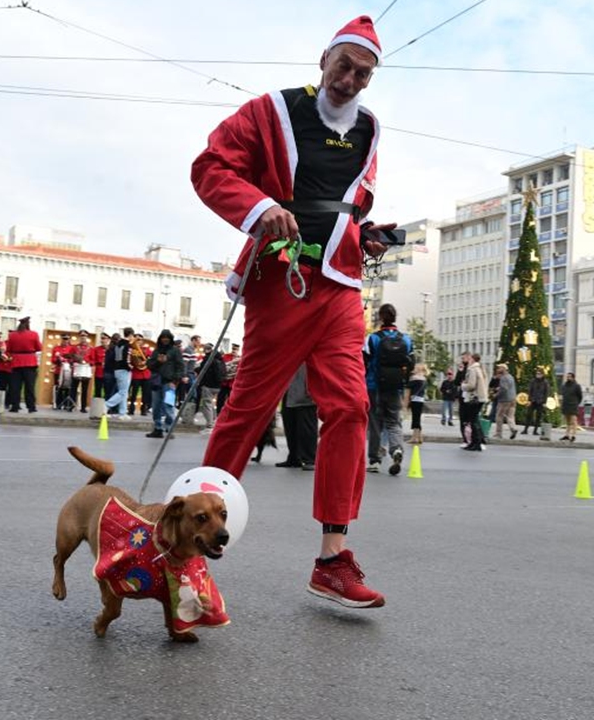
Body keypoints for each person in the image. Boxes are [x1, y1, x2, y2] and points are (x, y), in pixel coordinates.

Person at [191, 16, 392, 608]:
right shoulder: (270, 110)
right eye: (344, 65)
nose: (350, 80)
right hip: (284, 277)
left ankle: (332, 559)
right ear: (324, 61)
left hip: (340, 284)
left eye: (363, 73)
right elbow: (209, 169)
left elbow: (349, 203)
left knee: (352, 408)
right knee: (248, 409)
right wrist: (258, 209)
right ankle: (189, 546)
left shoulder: (371, 130)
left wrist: (367, 232)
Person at [364, 304, 412, 475]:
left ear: (381, 318)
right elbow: (409, 362)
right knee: (394, 421)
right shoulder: (406, 339)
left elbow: (364, 362)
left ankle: (375, 460)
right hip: (395, 387)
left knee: (375, 424)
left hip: (375, 386)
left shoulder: (373, 338)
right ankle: (397, 449)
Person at [277, 363, 319, 470]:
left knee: (307, 427)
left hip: (307, 389)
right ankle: (294, 457)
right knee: (290, 425)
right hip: (289, 388)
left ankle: (309, 459)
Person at [145, 329, 183, 438]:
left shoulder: (175, 351)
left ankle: (169, 428)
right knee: (156, 406)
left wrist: (175, 381)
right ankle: (158, 428)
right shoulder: (156, 351)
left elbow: (180, 366)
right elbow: (149, 365)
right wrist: (158, 361)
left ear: (170, 339)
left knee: (168, 406)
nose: (165, 339)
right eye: (163, 337)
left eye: (167, 337)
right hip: (157, 382)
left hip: (169, 382)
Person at [6, 317, 42, 413]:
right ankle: (31, 407)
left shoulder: (12, 335)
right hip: (30, 361)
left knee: (15, 386)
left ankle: (15, 406)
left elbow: (8, 348)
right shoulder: (34, 334)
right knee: (30, 386)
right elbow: (39, 347)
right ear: (28, 324)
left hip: (16, 361)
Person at [193, 343, 225, 434]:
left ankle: (210, 426)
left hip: (208, 385)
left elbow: (203, 370)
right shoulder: (220, 358)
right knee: (211, 405)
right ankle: (214, 422)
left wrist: (196, 370)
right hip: (218, 386)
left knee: (207, 405)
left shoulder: (208, 359)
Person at [102, 328, 134, 417]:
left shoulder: (118, 344)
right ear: (131, 335)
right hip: (124, 369)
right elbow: (127, 359)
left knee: (123, 391)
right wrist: (131, 366)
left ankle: (122, 412)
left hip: (117, 369)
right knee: (123, 392)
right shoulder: (128, 345)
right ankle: (107, 405)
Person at [460, 354, 489, 450]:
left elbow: (471, 385)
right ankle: (475, 442)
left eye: (470, 359)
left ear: (472, 359)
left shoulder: (472, 369)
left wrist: (463, 386)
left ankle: (475, 443)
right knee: (474, 420)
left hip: (474, 398)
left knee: (473, 421)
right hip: (480, 397)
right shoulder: (480, 368)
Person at [492, 363, 517, 441]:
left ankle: (498, 433)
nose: (498, 369)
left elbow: (504, 389)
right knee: (510, 416)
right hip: (513, 399)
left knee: (499, 416)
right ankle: (513, 428)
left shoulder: (503, 378)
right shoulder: (511, 377)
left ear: (504, 369)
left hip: (504, 400)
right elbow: (509, 387)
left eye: (499, 368)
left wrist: (496, 395)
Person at [522, 368, 550, 436]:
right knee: (529, 415)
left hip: (540, 401)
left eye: (539, 374)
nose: (538, 375)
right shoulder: (533, 381)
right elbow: (530, 391)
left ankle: (535, 430)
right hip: (533, 400)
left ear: (542, 374)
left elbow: (546, 393)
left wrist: (544, 402)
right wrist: (529, 400)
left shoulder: (545, 382)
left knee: (538, 416)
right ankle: (525, 429)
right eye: (537, 374)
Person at [559, 372, 583, 442]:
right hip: (566, 405)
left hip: (573, 405)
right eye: (567, 377)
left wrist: (576, 403)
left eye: (569, 377)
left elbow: (580, 396)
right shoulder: (564, 386)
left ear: (573, 378)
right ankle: (567, 435)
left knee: (574, 421)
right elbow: (563, 394)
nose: (568, 378)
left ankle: (573, 435)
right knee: (567, 422)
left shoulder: (576, 386)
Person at [407, 363, 427, 445]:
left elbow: (408, 390)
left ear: (418, 369)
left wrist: (406, 402)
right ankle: (419, 436)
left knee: (415, 418)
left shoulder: (414, 378)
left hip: (414, 399)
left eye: (415, 368)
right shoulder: (424, 379)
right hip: (421, 400)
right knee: (417, 418)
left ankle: (415, 437)